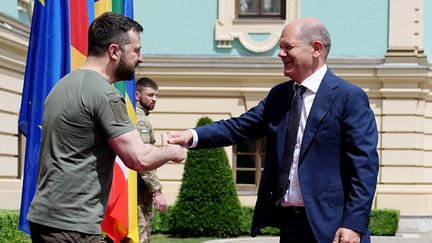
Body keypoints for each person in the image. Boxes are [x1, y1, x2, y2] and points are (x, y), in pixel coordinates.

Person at [168, 17, 379, 243]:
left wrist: (353, 224)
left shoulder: (349, 97)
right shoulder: (279, 96)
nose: (280, 53)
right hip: (291, 226)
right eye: (280, 47)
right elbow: (238, 127)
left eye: (288, 46)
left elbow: (364, 166)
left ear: (316, 48)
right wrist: (192, 136)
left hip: (334, 227)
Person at [26, 12, 185, 243]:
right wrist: (173, 151)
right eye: (136, 50)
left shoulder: (61, 86)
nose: (140, 59)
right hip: (73, 225)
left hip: (46, 219)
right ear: (114, 51)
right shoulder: (104, 94)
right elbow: (138, 158)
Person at [135, 77, 167, 243]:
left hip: (140, 192)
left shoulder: (139, 117)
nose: (154, 99)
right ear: (137, 95)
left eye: (156, 95)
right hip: (138, 193)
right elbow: (142, 158)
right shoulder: (140, 120)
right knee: (141, 237)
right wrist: (157, 190)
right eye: (151, 95)